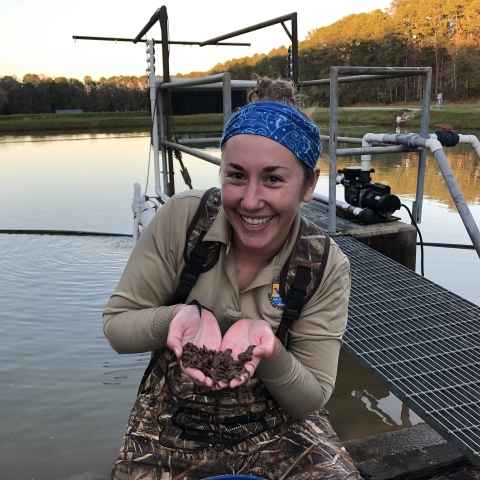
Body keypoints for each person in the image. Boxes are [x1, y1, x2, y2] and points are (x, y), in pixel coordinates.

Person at [103, 77, 360, 480]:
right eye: (236, 176)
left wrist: (270, 351)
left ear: (309, 184)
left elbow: (310, 398)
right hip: (171, 416)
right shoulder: (185, 220)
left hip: (277, 424)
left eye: (274, 179)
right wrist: (172, 319)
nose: (251, 200)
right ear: (221, 170)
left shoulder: (324, 264)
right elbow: (117, 326)